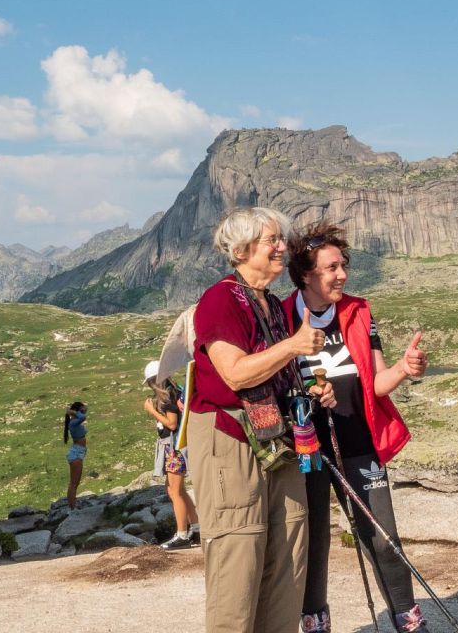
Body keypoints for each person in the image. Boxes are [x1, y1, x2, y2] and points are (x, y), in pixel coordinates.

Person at [187, 206, 336, 633]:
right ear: (241, 248)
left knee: (289, 555)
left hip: (276, 440)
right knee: (240, 558)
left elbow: (273, 370)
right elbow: (234, 372)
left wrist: (309, 391)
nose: (281, 247)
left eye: (280, 239)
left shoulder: (270, 303)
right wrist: (292, 347)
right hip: (231, 440)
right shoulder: (219, 300)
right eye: (271, 239)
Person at [285, 222, 429, 633]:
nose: (342, 274)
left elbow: (376, 382)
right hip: (307, 451)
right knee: (313, 545)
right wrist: (309, 401)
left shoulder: (359, 311)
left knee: (384, 538)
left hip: (360, 445)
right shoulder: (280, 316)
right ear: (305, 273)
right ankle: (315, 625)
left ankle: (409, 622)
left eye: (343, 265)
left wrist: (404, 369)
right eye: (332, 267)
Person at [141, 359, 201, 550]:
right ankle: (197, 529)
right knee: (176, 489)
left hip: (174, 449)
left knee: (174, 491)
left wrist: (152, 411)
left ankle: (182, 534)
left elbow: (172, 424)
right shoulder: (175, 391)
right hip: (174, 448)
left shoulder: (167, 398)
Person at [64, 400, 88, 510]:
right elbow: (83, 417)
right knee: (73, 483)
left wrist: (74, 411)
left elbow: (84, 414)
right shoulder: (73, 422)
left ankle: (73, 505)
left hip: (79, 452)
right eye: (82, 409)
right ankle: (72, 508)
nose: (84, 410)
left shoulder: (76, 421)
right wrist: (71, 411)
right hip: (76, 453)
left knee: (76, 483)